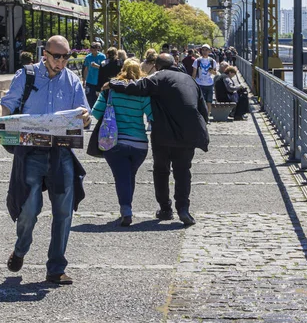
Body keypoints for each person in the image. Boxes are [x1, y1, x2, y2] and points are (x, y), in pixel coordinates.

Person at [0, 35, 91, 286]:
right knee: (29, 209)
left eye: (65, 57)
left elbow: (85, 114)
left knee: (64, 211)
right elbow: (7, 106)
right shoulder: (27, 75)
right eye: (56, 57)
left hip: (61, 152)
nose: (61, 62)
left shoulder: (73, 80)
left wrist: (85, 117)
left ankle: (56, 267)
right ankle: (21, 249)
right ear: (45, 54)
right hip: (30, 151)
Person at [109, 53, 209, 226]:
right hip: (187, 133)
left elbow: (134, 87)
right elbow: (203, 110)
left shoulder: (158, 77)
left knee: (161, 171)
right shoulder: (189, 80)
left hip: (163, 135)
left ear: (157, 65)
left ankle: (165, 209)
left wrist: (113, 83)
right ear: (174, 63)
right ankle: (183, 209)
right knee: (183, 171)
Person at [92, 58, 152, 227]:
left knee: (122, 176)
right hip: (139, 144)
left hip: (115, 142)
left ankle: (126, 210)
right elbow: (152, 116)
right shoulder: (143, 92)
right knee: (128, 175)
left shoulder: (110, 90)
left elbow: (95, 113)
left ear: (122, 70)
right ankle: (127, 207)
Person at [192, 44, 218, 119]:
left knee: (209, 102)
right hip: (199, 83)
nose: (204, 52)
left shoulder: (212, 61)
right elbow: (194, 73)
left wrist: (211, 71)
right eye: (203, 50)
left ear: (209, 51)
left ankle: (207, 117)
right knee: (200, 102)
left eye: (206, 50)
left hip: (209, 83)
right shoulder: (197, 61)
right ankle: (200, 117)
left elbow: (215, 73)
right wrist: (192, 83)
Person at [82, 42, 106, 107]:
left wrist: (97, 66)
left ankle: (97, 111)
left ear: (97, 49)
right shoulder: (88, 57)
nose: (93, 51)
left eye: (94, 49)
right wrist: (84, 80)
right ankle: (91, 111)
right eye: (91, 49)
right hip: (89, 80)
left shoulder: (102, 56)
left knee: (97, 98)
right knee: (89, 97)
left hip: (98, 81)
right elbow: (85, 69)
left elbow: (105, 68)